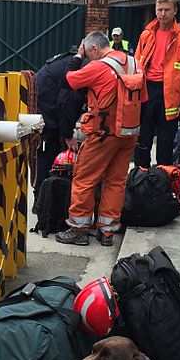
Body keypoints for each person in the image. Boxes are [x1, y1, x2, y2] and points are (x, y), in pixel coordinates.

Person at [55, 31, 145, 247]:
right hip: (128, 132)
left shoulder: (98, 67)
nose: (85, 57)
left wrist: (76, 58)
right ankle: (107, 232)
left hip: (103, 134)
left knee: (84, 179)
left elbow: (66, 81)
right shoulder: (135, 64)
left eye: (86, 52)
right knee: (116, 182)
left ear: (94, 48)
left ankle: (78, 229)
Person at [134, 0, 180, 168]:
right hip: (146, 91)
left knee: (165, 143)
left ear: (175, 11)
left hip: (169, 96)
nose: (162, 14)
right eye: (159, 9)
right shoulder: (146, 35)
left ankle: (163, 181)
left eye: (167, 10)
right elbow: (136, 65)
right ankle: (141, 178)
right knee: (142, 141)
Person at [33, 47, 86, 199]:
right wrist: (68, 134)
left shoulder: (77, 61)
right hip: (45, 115)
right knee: (47, 158)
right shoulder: (81, 69)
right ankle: (42, 203)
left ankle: (50, 200)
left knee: (52, 158)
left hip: (48, 109)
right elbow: (68, 102)